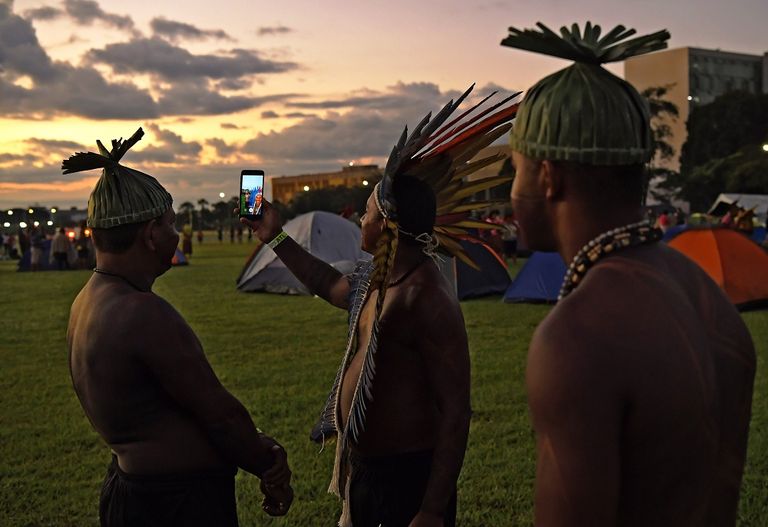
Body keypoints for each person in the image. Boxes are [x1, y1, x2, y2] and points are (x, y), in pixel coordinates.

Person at [501, 22, 756, 526]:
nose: (514, 191)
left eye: (516, 170)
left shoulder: (577, 338)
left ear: (548, 177)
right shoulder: (712, 301)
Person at [242, 86, 518, 527]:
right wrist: (273, 236)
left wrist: (430, 509)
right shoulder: (381, 279)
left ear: (387, 224)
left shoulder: (425, 296)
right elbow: (330, 284)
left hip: (407, 483)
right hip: (367, 476)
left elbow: (455, 413)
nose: (359, 221)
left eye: (367, 213)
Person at [62, 127, 293, 527]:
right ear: (152, 234)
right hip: (173, 502)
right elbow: (220, 416)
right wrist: (266, 460)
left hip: (134, 492)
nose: (177, 235)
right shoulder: (141, 312)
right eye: (171, 225)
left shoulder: (88, 301)